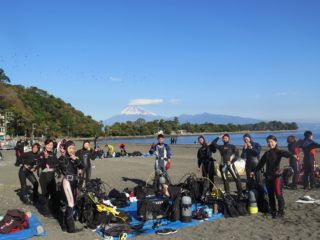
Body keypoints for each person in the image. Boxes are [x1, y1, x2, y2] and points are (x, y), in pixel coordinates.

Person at [253, 135, 292, 218]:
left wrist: (290, 154)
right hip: (268, 177)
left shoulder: (279, 152)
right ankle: (273, 210)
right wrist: (254, 171)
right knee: (270, 195)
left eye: (272, 142)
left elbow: (286, 154)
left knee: (278, 194)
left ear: (276, 142)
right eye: (268, 142)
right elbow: (260, 164)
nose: (270, 143)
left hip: (277, 177)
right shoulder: (267, 153)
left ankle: (281, 212)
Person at [57, 141, 83, 233]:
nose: (72, 150)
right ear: (66, 149)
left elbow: (81, 166)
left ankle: (65, 225)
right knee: (70, 203)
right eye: (70, 148)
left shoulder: (74, 158)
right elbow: (62, 167)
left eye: (73, 148)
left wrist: (76, 159)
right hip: (67, 182)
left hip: (74, 182)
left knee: (71, 203)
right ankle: (71, 228)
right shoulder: (62, 158)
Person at [38, 139, 58, 216]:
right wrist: (45, 158)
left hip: (51, 176)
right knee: (45, 194)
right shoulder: (41, 154)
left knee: (53, 193)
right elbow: (40, 165)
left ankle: (54, 209)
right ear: (45, 145)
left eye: (51, 145)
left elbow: (57, 163)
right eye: (48, 145)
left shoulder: (53, 154)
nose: (50, 146)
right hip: (44, 176)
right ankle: (46, 212)